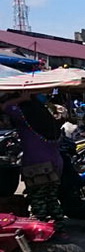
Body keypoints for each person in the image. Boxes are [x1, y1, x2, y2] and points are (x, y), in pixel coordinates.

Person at [0, 91, 67, 237]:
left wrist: (21, 98)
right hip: (55, 163)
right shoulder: (47, 118)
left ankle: (40, 233)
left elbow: (4, 106)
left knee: (38, 201)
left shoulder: (23, 116)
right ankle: (60, 230)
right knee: (51, 198)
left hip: (36, 165)